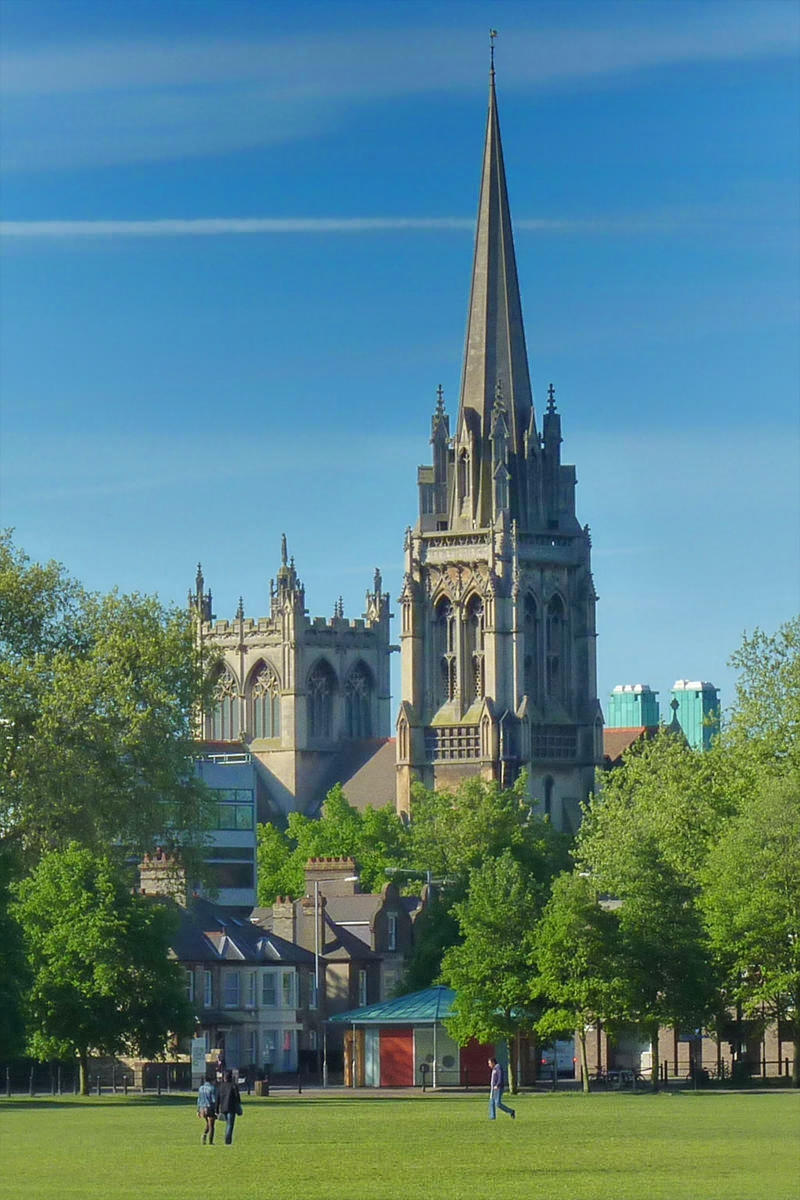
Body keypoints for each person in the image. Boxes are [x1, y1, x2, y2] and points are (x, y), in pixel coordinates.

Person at [216, 1070, 243, 1145]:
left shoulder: (221, 1086)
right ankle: (228, 1140)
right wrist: (239, 1105)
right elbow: (237, 1097)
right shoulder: (233, 1085)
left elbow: (217, 1098)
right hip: (231, 1107)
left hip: (223, 1107)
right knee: (230, 1125)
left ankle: (227, 1139)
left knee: (227, 1123)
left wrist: (217, 1109)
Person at [488, 1057, 515, 1121]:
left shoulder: (498, 1067)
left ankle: (511, 1111)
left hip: (498, 1088)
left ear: (493, 1062)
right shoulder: (494, 1068)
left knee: (498, 1103)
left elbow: (500, 1077)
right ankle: (492, 1117)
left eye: (489, 1063)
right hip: (493, 1088)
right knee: (492, 1102)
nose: (489, 1065)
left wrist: (497, 1085)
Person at [197, 1077, 218, 1144]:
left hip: (202, 1108)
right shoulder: (212, 1088)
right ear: (212, 1080)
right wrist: (216, 1109)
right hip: (209, 1108)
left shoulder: (201, 1088)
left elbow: (199, 1099)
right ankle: (210, 1141)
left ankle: (204, 1135)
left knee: (208, 1123)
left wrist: (198, 1110)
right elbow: (213, 1100)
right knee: (212, 1126)